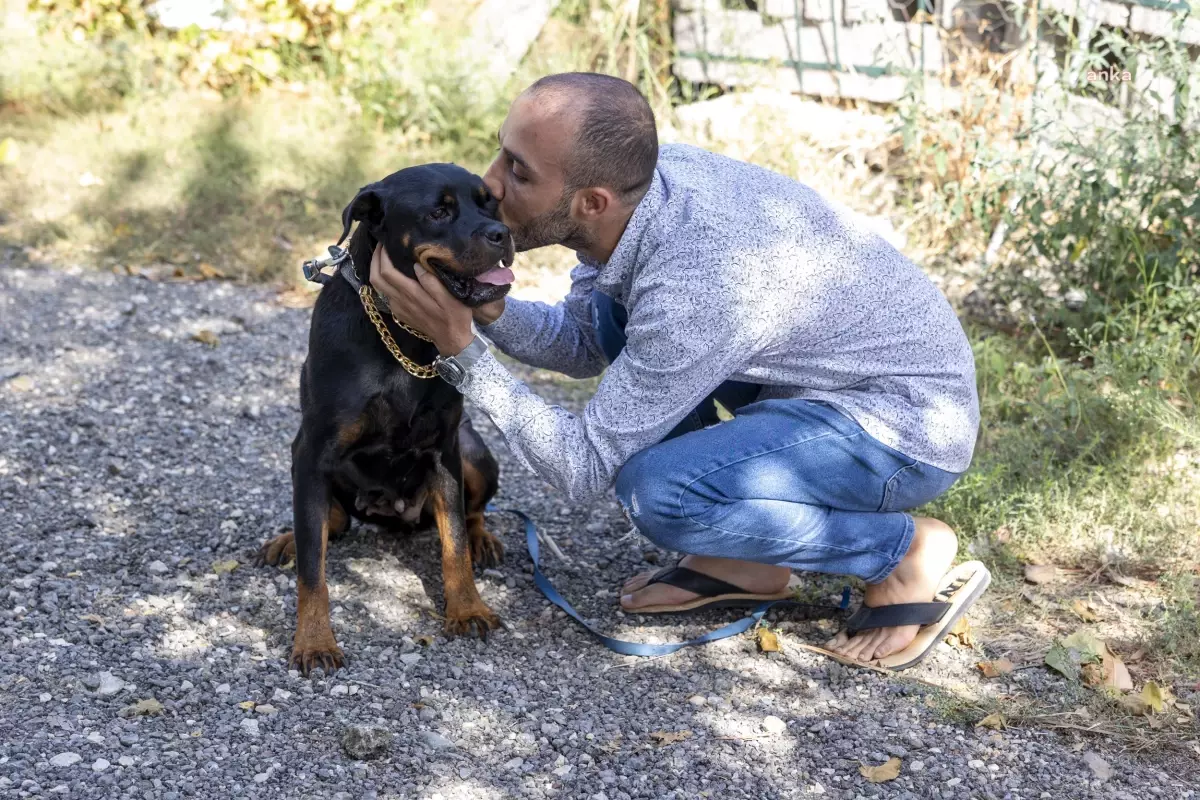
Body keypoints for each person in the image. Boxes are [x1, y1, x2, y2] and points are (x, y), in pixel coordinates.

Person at [368, 72, 988, 669]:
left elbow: (584, 468)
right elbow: (586, 339)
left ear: (591, 201)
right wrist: (483, 309)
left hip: (900, 430)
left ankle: (899, 552)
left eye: (519, 172)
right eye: (502, 155)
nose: (491, 183)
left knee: (660, 492)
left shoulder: (695, 283)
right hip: (819, 386)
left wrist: (463, 349)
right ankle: (743, 563)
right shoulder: (642, 196)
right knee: (614, 319)